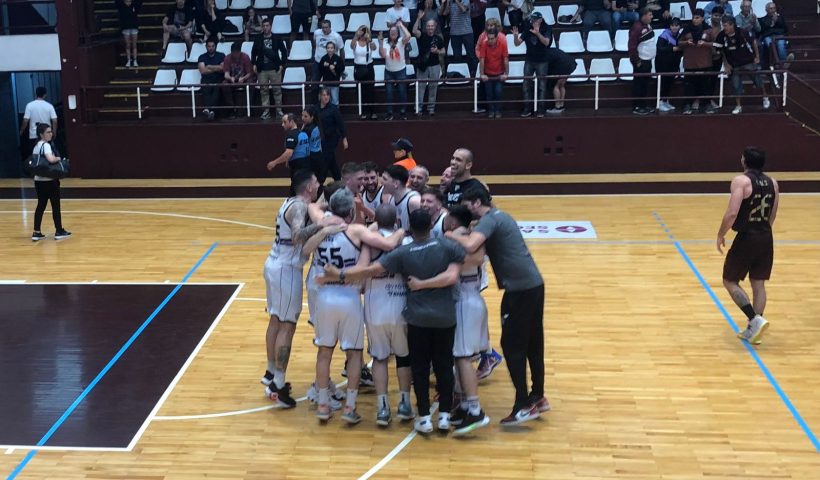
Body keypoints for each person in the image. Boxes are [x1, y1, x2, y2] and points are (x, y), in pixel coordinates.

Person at [321, 208, 466, 434]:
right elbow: (454, 273)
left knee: (393, 361)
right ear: (431, 225)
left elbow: (368, 270)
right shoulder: (439, 245)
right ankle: (428, 411)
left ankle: (397, 411)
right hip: (424, 313)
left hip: (393, 311)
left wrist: (338, 275)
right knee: (432, 363)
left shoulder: (393, 248)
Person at [447, 186, 548, 426]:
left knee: (512, 347)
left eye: (467, 205)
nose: (465, 210)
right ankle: (537, 396)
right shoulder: (502, 216)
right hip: (534, 285)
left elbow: (470, 246)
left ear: (477, 202)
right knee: (533, 343)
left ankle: (523, 404)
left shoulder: (489, 220)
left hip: (519, 290)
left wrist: (450, 235)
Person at [312, 189, 406, 423]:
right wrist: (401, 230)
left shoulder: (321, 227)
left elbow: (311, 210)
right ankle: (349, 407)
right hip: (348, 296)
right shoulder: (356, 230)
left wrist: (324, 217)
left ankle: (322, 405)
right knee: (354, 353)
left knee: (324, 351)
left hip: (324, 296)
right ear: (351, 212)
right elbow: (387, 245)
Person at [261, 170, 343, 407]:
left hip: (275, 264)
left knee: (276, 320)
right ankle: (278, 384)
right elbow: (298, 236)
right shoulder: (298, 207)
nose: (319, 185)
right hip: (286, 269)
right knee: (287, 326)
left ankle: (270, 373)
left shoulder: (293, 202)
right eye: (316, 182)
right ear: (308, 186)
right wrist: (323, 227)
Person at [717, 146, 778, 345]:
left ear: (744, 161)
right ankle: (754, 331)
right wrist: (763, 232)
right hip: (766, 236)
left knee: (729, 280)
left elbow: (732, 213)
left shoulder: (741, 181)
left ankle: (754, 320)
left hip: (747, 237)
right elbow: (772, 214)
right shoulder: (773, 183)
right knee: (758, 284)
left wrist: (721, 234)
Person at [361, 204, 415, 426]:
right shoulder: (406, 241)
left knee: (379, 358)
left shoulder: (369, 241)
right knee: (403, 357)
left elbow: (362, 270)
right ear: (396, 221)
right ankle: (404, 403)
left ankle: (383, 407)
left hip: (375, 305)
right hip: (400, 303)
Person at [445, 205, 492, 435]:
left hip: (464, 301)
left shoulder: (456, 239)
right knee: (460, 357)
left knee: (463, 358)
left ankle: (475, 409)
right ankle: (464, 405)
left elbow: (469, 261)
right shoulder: (473, 238)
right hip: (472, 299)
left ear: (453, 222)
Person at [716, 15, 770, 115]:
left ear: (732, 25)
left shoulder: (742, 32)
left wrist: (757, 56)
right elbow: (721, 50)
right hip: (733, 64)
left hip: (748, 61)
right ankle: (738, 106)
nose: (724, 28)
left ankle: (765, 97)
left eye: (726, 25)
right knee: (736, 85)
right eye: (723, 25)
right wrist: (726, 64)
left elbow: (753, 42)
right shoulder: (721, 36)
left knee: (757, 80)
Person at [30, 123, 70, 242]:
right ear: (41, 134)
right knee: (55, 206)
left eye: (51, 131)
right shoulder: (46, 145)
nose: (51, 134)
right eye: (48, 132)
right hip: (49, 181)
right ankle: (59, 231)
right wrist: (58, 158)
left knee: (41, 205)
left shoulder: (36, 146)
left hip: (38, 181)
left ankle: (36, 232)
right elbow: (50, 159)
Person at [512, 11, 550, 117]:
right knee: (526, 85)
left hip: (542, 60)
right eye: (532, 20)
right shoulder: (528, 28)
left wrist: (537, 33)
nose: (533, 22)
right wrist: (515, 36)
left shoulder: (546, 28)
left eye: (535, 20)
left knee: (542, 86)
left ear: (541, 20)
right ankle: (527, 108)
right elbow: (517, 43)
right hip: (529, 60)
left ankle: (541, 109)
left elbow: (546, 42)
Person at [678, 9, 715, 115]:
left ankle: (707, 105)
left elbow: (715, 44)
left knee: (705, 86)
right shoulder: (686, 29)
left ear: (702, 18)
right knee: (689, 86)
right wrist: (686, 42)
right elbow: (679, 43)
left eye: (697, 18)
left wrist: (705, 44)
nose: (694, 20)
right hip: (690, 63)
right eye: (693, 17)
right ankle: (687, 105)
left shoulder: (709, 30)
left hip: (705, 63)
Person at [252, 18, 288, 121]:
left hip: (274, 68)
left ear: (271, 26)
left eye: (267, 25)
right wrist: (254, 64)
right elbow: (253, 52)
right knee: (264, 91)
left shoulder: (277, 38)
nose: (265, 27)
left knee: (277, 90)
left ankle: (279, 111)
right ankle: (266, 112)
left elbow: (284, 52)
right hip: (262, 68)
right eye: (263, 26)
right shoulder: (258, 38)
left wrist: (282, 65)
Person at [379, 22, 413, 120]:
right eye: (391, 31)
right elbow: (382, 55)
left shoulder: (401, 41)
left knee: (402, 92)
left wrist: (401, 25)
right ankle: (389, 113)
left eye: (395, 31)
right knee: (389, 93)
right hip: (389, 71)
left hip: (400, 71)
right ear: (389, 33)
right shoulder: (385, 42)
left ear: (398, 33)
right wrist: (380, 43)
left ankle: (403, 112)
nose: (393, 32)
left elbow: (408, 35)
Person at [412, 19, 445, 116]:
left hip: (435, 65)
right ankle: (418, 109)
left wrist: (437, 51)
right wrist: (418, 18)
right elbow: (414, 31)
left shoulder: (438, 38)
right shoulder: (422, 35)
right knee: (420, 87)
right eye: (428, 26)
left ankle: (431, 108)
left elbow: (443, 52)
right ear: (426, 27)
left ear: (435, 27)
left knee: (433, 87)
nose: (430, 28)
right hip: (422, 65)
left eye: (432, 26)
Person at [628, 7, 657, 115]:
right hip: (640, 62)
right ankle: (636, 107)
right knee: (638, 84)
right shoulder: (636, 28)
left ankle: (643, 105)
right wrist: (637, 61)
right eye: (650, 15)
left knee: (644, 84)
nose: (652, 17)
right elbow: (632, 47)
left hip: (648, 61)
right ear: (643, 16)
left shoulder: (648, 25)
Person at [318, 88, 348, 182]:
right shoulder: (315, 108)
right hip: (320, 139)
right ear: (320, 96)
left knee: (326, 159)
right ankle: (338, 179)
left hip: (332, 139)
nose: (326, 97)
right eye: (324, 95)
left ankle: (320, 181)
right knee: (331, 161)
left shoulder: (333, 109)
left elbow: (341, 124)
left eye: (328, 95)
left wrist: (344, 138)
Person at [478, 28, 509, 118]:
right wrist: (482, 74)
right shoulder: (484, 44)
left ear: (496, 38)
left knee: (498, 92)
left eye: (492, 39)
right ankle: (491, 111)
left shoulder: (502, 44)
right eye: (489, 38)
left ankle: (498, 111)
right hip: (488, 74)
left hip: (499, 73)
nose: (490, 40)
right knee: (489, 94)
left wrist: (506, 73)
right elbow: (482, 60)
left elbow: (505, 59)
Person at [443, 0, 479, 75]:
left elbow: (463, 9)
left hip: (467, 32)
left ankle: (474, 73)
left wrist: (456, 1)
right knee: (457, 56)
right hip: (454, 33)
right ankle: (458, 74)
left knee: (470, 55)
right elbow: (445, 13)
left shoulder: (466, 1)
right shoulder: (450, 2)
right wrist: (447, 3)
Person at [312, 19, 345, 101]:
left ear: (330, 27)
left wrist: (341, 65)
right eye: (323, 27)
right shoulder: (317, 33)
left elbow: (341, 50)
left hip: (332, 64)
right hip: (318, 63)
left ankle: (333, 106)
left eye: (326, 27)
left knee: (331, 87)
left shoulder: (336, 36)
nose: (324, 29)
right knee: (314, 85)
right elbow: (314, 43)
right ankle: (316, 105)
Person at [655, 17, 683, 112]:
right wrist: (672, 48)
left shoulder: (680, 36)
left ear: (680, 27)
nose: (674, 27)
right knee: (663, 83)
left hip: (673, 64)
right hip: (662, 64)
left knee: (669, 83)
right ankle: (660, 103)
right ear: (669, 26)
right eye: (672, 25)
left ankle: (665, 101)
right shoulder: (664, 35)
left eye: (676, 25)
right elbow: (659, 49)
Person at [221, 41, 254, 118]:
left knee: (251, 84)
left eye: (237, 53)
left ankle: (248, 108)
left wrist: (244, 78)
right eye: (234, 53)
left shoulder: (245, 57)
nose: (235, 55)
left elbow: (250, 73)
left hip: (244, 79)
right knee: (224, 84)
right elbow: (226, 74)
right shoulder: (227, 58)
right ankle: (232, 109)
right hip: (232, 80)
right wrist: (230, 78)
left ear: (240, 51)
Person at [351, 25, 378, 120]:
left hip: (369, 67)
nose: (363, 33)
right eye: (361, 31)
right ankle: (363, 111)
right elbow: (352, 46)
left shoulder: (369, 42)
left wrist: (369, 39)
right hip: (358, 67)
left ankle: (372, 111)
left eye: (364, 31)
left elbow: (374, 48)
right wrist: (356, 35)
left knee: (370, 90)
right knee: (360, 90)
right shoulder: (356, 42)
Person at [19, 87, 58, 153]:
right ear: (45, 95)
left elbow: (25, 120)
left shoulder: (29, 105)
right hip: (47, 134)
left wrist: (21, 130)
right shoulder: (49, 106)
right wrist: (54, 132)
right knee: (48, 153)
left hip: (34, 135)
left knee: (35, 155)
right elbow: (55, 121)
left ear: (36, 94)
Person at [383, 165, 421, 229]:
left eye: (385, 179)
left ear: (396, 183)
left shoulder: (414, 201)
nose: (381, 182)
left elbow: (422, 231)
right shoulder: (391, 199)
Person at [197, 38, 226, 121]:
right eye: (209, 46)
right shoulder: (202, 57)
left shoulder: (221, 55)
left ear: (215, 46)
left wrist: (209, 66)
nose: (211, 48)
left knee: (217, 89)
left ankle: (209, 109)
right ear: (206, 47)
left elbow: (222, 68)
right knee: (206, 88)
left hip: (218, 78)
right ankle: (211, 110)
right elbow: (203, 71)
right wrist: (216, 68)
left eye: (213, 46)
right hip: (206, 79)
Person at [759, 2, 793, 68]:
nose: (773, 10)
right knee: (770, 44)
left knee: (780, 44)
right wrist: (773, 23)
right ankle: (775, 63)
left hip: (779, 36)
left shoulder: (780, 18)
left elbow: (785, 29)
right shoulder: (762, 19)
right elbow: (763, 31)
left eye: (774, 8)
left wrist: (778, 21)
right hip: (768, 37)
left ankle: (784, 62)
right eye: (771, 8)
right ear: (766, 10)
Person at [544, 47, 577, 114]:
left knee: (555, 86)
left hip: (562, 65)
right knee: (561, 85)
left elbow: (548, 67)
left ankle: (557, 106)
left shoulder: (545, 54)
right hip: (571, 63)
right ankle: (561, 105)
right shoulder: (552, 49)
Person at [116, 0, 141, 67]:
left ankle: (135, 60)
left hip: (134, 27)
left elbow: (139, 3)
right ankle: (128, 60)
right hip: (125, 28)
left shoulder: (135, 5)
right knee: (127, 45)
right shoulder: (121, 6)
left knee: (134, 45)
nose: (128, 2)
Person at [301, 106, 323, 182]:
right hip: (318, 155)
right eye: (302, 115)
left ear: (312, 117)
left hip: (311, 157)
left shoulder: (307, 130)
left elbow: (301, 143)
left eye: (305, 116)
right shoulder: (317, 126)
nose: (303, 118)